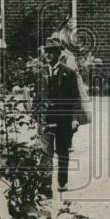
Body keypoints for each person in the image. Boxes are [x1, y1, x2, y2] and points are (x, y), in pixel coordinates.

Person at [37, 36, 82, 195]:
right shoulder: (40, 73)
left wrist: (75, 118)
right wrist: (36, 116)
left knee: (62, 151)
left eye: (51, 52)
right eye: (46, 51)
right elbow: (36, 97)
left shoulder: (68, 73)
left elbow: (76, 98)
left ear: (58, 53)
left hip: (63, 118)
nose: (47, 55)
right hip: (46, 118)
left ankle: (62, 182)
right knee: (45, 151)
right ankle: (46, 185)